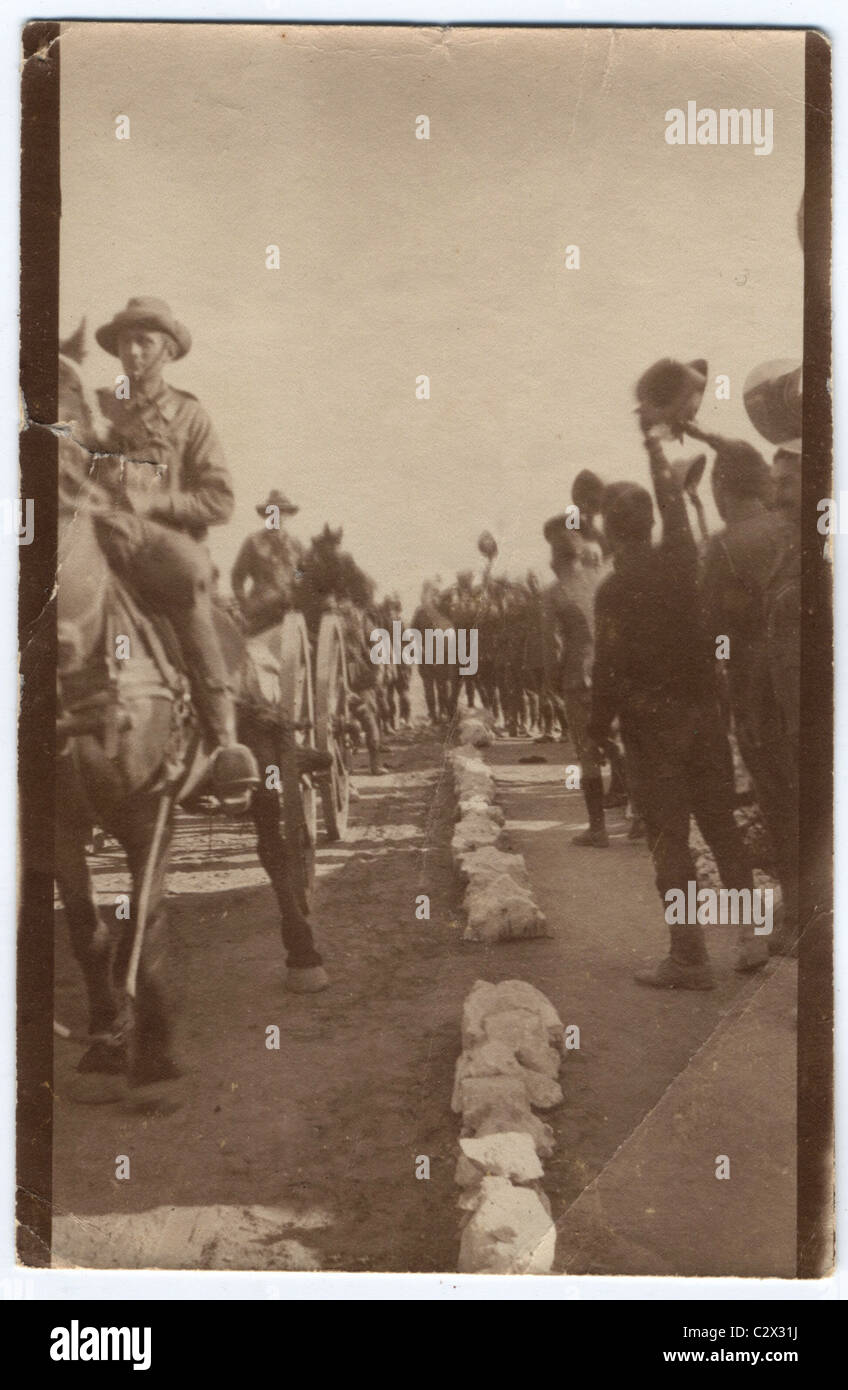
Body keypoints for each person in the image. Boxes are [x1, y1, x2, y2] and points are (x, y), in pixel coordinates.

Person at [588, 422, 766, 987]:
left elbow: (607, 669)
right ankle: (751, 936)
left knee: (670, 837)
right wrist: (653, 446)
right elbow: (674, 507)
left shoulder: (613, 591)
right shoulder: (684, 559)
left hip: (651, 726)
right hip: (703, 717)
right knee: (721, 826)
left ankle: (689, 956)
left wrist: (595, 726)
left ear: (611, 536)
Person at [93, 296, 259, 805]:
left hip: (165, 556)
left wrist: (155, 500)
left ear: (166, 352)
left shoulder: (189, 416)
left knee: (188, 580)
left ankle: (223, 743)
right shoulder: (99, 408)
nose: (133, 352)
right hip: (102, 541)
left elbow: (220, 499)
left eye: (145, 342)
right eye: (126, 342)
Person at [700, 437, 799, 955]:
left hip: (758, 694)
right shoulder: (791, 528)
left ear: (721, 488)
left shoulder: (723, 544)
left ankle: (800, 918)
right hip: (807, 685)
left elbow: (710, 629)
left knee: (781, 806)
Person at [542, 516, 608, 847]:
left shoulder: (554, 594)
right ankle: (640, 819)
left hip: (577, 678)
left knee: (587, 752)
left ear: (555, 559)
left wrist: (553, 679)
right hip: (609, 673)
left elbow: (554, 646)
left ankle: (598, 828)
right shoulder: (601, 580)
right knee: (620, 744)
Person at [230, 490, 304, 631]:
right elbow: (237, 577)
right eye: (274, 512)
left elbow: (302, 569)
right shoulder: (253, 542)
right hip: (261, 610)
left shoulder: (296, 544)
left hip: (290, 610)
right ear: (267, 515)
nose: (278, 516)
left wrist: (296, 582)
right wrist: (244, 603)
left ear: (287, 515)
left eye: (282, 512)